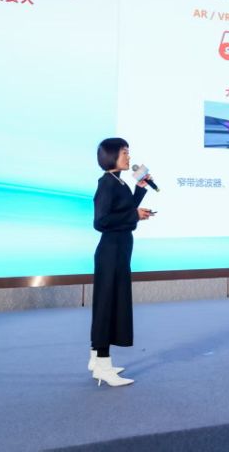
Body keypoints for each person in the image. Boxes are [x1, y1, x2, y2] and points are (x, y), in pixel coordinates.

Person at [88, 137, 154, 387]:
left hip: (119, 251)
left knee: (110, 304)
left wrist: (140, 189)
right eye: (124, 152)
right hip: (111, 253)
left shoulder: (118, 182)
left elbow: (123, 210)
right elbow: (101, 221)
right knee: (107, 306)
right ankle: (103, 367)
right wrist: (133, 215)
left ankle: (96, 360)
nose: (129, 157)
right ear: (111, 156)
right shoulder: (106, 183)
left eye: (128, 152)